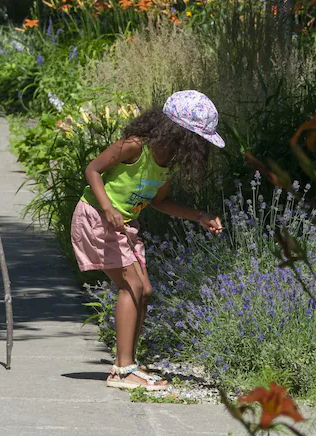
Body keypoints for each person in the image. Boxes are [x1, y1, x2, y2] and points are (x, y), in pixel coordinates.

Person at [73, 90, 224, 390]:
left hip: (124, 225)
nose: (199, 149)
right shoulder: (134, 147)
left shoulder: (167, 163)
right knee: (131, 286)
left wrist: (200, 216)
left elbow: (160, 201)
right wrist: (107, 208)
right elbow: (92, 169)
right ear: (179, 133)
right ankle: (123, 369)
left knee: (145, 291)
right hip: (96, 216)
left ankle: (128, 362)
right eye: (198, 141)